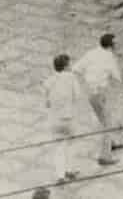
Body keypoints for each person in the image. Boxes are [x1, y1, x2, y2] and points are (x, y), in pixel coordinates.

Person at [71, 34, 123, 166]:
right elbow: (117, 78)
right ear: (111, 46)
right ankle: (105, 156)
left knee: (104, 117)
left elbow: (76, 69)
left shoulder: (91, 53)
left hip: (92, 92)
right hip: (99, 92)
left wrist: (87, 84)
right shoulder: (110, 58)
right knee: (107, 123)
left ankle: (111, 143)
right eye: (115, 44)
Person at [43, 54, 82, 183]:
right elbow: (77, 95)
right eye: (69, 64)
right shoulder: (71, 78)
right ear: (66, 66)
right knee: (71, 144)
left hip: (54, 119)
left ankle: (60, 176)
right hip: (68, 117)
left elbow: (47, 102)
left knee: (59, 147)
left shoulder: (49, 81)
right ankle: (70, 170)